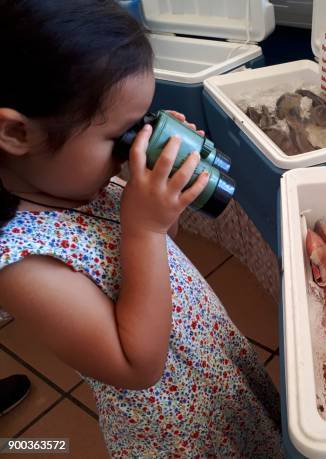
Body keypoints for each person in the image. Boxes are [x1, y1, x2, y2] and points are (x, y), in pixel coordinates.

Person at [0, 1, 281, 457]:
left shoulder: (75, 180)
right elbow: (136, 365)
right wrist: (144, 230)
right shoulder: (22, 264)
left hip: (211, 368)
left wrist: (157, 216)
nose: (135, 149)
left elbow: (156, 262)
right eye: (122, 136)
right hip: (179, 430)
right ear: (17, 134)